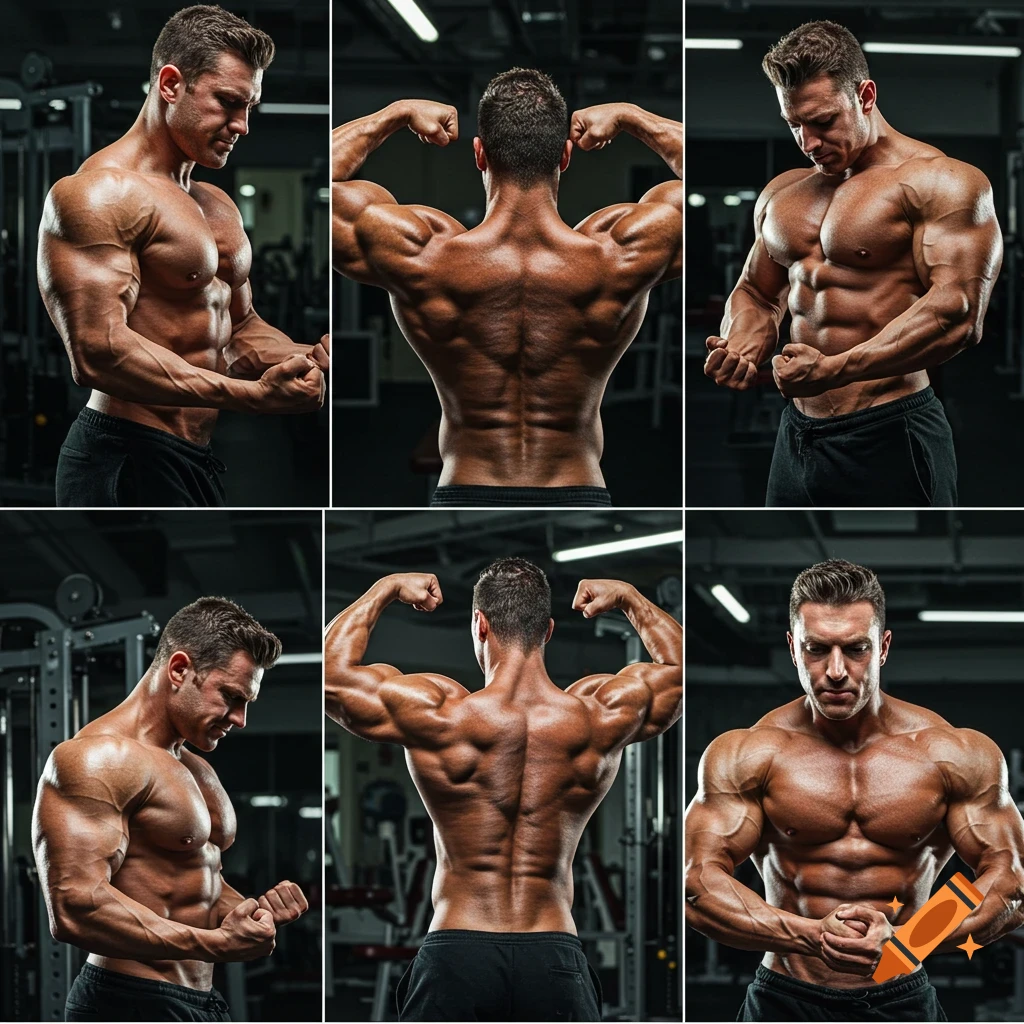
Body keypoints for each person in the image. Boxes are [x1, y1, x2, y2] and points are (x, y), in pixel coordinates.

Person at [325, 559, 682, 1020]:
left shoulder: (441, 714)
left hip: (457, 953)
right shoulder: (596, 716)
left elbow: (332, 675)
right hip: (553, 953)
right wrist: (632, 599)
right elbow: (678, 670)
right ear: (548, 630)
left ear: (480, 624)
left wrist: (387, 586)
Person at [685, 559, 1024, 1021]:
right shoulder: (748, 753)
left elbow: (1010, 880)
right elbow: (697, 888)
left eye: (856, 649)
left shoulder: (951, 753)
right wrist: (811, 935)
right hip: (786, 997)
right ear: (792, 648)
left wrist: (908, 942)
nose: (837, 671)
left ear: (883, 647)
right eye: (817, 649)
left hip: (900, 995)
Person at [332, 68, 681, 507]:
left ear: (479, 154)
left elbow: (327, 190)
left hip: (464, 485)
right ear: (565, 156)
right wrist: (633, 117)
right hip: (577, 487)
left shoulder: (425, 255)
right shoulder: (617, 255)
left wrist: (395, 114)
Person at [38, 4, 329, 508]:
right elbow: (97, 352)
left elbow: (239, 329)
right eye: (227, 102)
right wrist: (250, 397)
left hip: (192, 454)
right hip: (122, 457)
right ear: (171, 84)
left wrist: (304, 357)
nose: (242, 125)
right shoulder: (99, 193)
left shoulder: (215, 203)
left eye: (249, 108)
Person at [703, 21, 1002, 507]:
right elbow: (757, 292)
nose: (808, 141)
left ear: (865, 95)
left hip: (891, 427)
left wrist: (839, 368)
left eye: (823, 121)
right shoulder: (783, 193)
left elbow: (959, 312)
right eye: (794, 124)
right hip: (798, 433)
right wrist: (741, 341)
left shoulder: (941, 182)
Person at [32, 597, 309, 1022]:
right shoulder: (99, 758)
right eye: (231, 697)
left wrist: (250, 913)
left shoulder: (192, 764)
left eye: (247, 702)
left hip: (197, 999)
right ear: (179, 669)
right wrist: (215, 943)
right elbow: (76, 906)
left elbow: (191, 882)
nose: (240, 719)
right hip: (129, 1001)